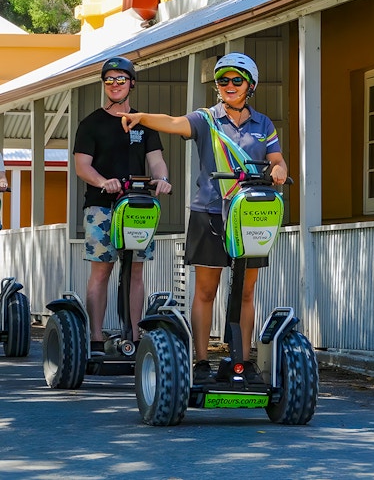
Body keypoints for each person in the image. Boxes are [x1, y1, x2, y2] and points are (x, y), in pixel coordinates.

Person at [119, 52, 287, 383]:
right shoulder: (206, 119)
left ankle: (241, 360)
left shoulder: (263, 124)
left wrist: (280, 169)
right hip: (209, 211)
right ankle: (201, 362)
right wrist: (142, 117)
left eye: (236, 80)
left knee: (247, 291)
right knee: (206, 290)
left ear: (249, 85)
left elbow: (277, 159)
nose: (228, 86)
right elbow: (173, 122)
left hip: (249, 214)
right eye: (222, 80)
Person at [73, 56, 172, 353]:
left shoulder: (143, 122)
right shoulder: (91, 123)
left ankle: (136, 339)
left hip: (138, 206)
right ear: (104, 85)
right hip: (102, 207)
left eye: (121, 79)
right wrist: (104, 181)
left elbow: (156, 161)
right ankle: (96, 338)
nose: (115, 85)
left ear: (132, 83)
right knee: (101, 269)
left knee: (137, 270)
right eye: (109, 80)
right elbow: (82, 166)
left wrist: (163, 179)